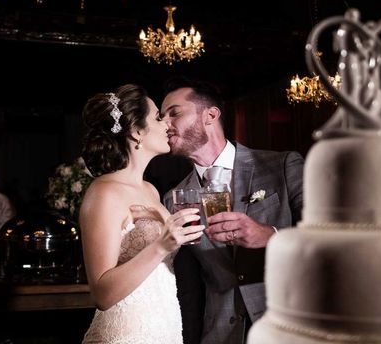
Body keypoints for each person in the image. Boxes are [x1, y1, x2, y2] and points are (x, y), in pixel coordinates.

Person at [161, 77, 304, 344]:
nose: (165, 125)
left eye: (174, 114)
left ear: (210, 115)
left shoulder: (282, 166)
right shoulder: (173, 200)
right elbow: (189, 288)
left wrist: (270, 236)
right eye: (161, 118)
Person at [79, 83, 204, 344]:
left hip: (165, 328)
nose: (167, 124)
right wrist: (161, 245)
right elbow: (101, 294)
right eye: (158, 117)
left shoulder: (150, 190)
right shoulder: (104, 192)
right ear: (137, 132)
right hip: (127, 334)